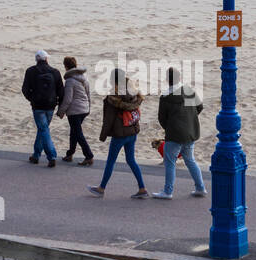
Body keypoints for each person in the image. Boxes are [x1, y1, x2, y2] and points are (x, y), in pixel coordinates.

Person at [88, 69, 149, 199]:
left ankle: (101, 188)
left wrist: (103, 135)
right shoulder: (133, 92)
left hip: (120, 133)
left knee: (110, 161)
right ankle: (142, 188)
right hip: (132, 130)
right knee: (131, 160)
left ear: (113, 81)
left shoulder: (113, 97)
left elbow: (108, 120)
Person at [153, 67, 207, 199]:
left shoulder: (165, 97)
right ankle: (200, 188)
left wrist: (170, 127)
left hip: (174, 134)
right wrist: (190, 119)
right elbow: (199, 107)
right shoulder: (188, 91)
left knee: (170, 162)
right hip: (190, 132)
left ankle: (168, 191)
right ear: (180, 78)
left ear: (167, 80)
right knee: (190, 160)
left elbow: (162, 118)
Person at [21, 50, 63, 167]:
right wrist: (59, 105)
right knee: (43, 129)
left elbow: (25, 89)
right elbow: (61, 91)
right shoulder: (55, 72)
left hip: (37, 106)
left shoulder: (30, 71)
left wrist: (32, 99)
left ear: (36, 60)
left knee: (43, 129)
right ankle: (36, 155)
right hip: (50, 106)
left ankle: (51, 156)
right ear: (46, 59)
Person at [56, 56, 94, 165]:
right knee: (74, 132)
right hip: (84, 109)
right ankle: (70, 154)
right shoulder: (84, 77)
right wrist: (89, 107)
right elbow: (88, 94)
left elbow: (68, 100)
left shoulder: (70, 81)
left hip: (75, 111)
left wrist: (61, 112)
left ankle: (89, 156)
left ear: (66, 66)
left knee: (77, 133)